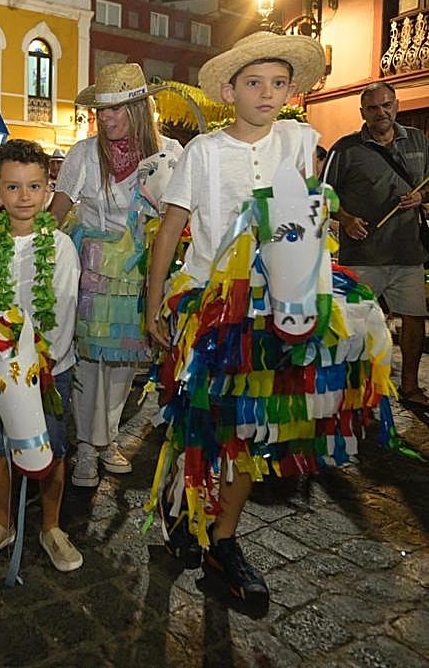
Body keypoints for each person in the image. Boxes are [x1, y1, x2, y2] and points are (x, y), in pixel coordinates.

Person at [146, 32, 335, 607]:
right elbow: (174, 227)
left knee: (252, 430)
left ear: (292, 91)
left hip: (273, 310)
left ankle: (223, 541)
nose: (268, 93)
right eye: (255, 82)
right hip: (208, 305)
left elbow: (311, 222)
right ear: (230, 90)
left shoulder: (303, 142)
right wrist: (153, 301)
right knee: (202, 424)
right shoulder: (203, 152)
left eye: (279, 83)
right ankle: (181, 504)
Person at [49, 63, 182, 487]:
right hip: (89, 269)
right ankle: (87, 446)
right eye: (101, 110)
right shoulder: (83, 154)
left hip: (139, 272)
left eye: (116, 109)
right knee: (88, 360)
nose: (105, 118)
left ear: (139, 108)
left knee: (124, 361)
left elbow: (178, 217)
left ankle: (107, 440)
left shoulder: (168, 155)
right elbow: (58, 211)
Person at [0, 140, 83, 572]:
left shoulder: (62, 247)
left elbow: (65, 309)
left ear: (48, 188)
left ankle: (51, 526)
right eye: (13, 187)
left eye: (34, 186)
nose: (24, 197)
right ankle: (3, 522)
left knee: (51, 446)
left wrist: (42, 359)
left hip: (50, 368)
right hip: (1, 371)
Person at [324, 81, 429, 409]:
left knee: (414, 319)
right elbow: (323, 196)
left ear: (396, 105)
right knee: (357, 325)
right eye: (373, 108)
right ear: (363, 113)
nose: (381, 112)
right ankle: (359, 393)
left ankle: (410, 387)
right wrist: (346, 218)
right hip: (362, 256)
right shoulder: (344, 149)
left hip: (408, 253)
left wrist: (421, 197)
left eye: (386, 105)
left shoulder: (417, 140)